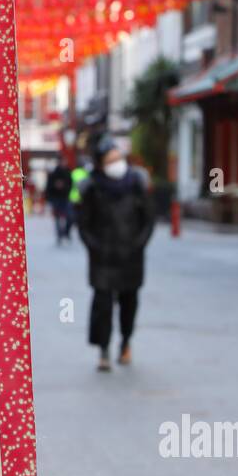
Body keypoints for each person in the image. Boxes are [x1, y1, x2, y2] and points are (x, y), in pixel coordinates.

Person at [76, 136, 156, 372]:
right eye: (110, 160)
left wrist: (139, 244)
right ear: (100, 164)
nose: (116, 163)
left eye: (118, 158)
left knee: (129, 302)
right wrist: (94, 247)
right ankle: (103, 349)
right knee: (102, 303)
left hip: (131, 256)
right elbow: (84, 224)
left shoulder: (136, 183)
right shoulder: (91, 187)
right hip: (103, 257)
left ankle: (126, 342)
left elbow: (148, 220)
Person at [44, 159, 74, 244]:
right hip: (56, 198)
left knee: (70, 217)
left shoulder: (68, 173)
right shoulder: (53, 174)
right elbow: (48, 187)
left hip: (65, 198)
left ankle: (65, 233)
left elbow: (71, 185)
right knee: (57, 218)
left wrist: (64, 187)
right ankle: (59, 235)